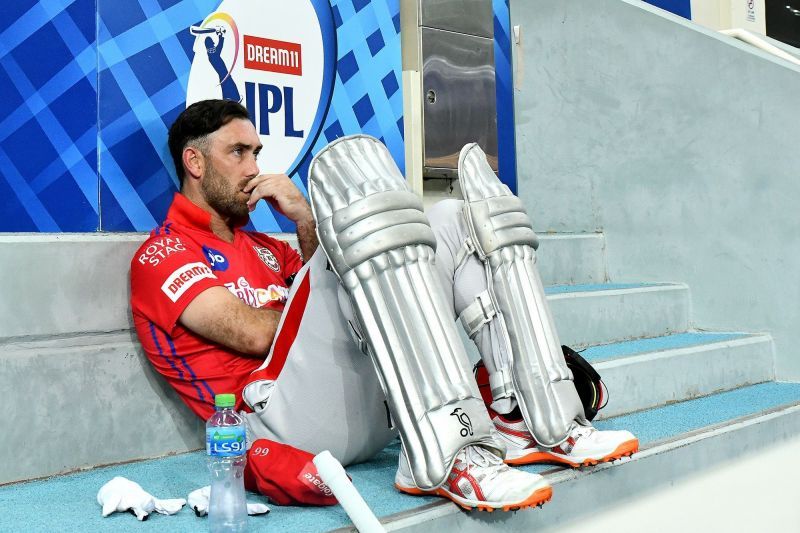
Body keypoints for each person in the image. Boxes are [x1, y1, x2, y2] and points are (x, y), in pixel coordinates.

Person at [130, 99, 637, 512]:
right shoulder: (164, 253)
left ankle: (515, 411)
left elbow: (314, 302)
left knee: (454, 220)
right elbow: (256, 335)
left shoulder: (267, 248)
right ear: (194, 163)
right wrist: (332, 255)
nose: (255, 169)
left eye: (257, 153)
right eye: (238, 153)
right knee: (361, 251)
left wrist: (305, 218)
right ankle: (441, 458)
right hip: (271, 422)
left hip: (357, 412)